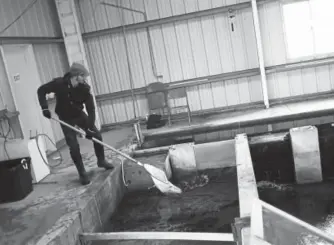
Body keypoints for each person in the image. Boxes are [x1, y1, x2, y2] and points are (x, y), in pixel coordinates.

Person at [37, 62, 114, 185]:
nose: (85, 79)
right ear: (76, 75)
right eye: (83, 76)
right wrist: (44, 108)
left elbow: (91, 110)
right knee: (73, 146)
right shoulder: (59, 84)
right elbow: (41, 90)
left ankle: (101, 160)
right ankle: (82, 173)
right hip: (65, 117)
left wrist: (89, 128)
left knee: (97, 135)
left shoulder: (84, 89)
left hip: (79, 114)